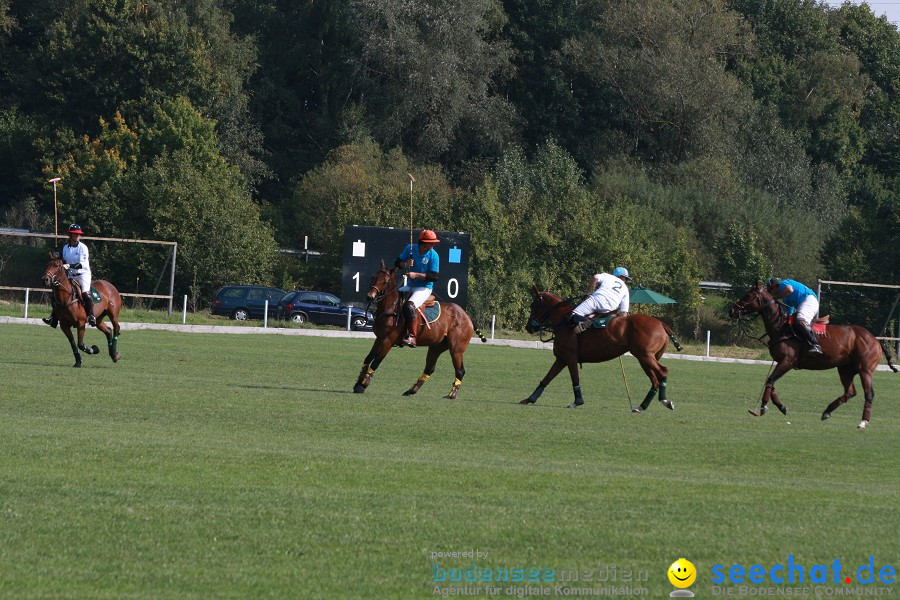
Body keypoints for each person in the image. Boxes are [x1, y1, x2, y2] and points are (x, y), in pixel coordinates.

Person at [43, 224, 96, 328]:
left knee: (85, 293)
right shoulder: (65, 248)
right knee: (56, 293)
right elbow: (62, 261)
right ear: (70, 235)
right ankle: (53, 318)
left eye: (79, 234)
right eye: (75, 234)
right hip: (71, 275)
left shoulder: (83, 248)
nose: (77, 236)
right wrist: (57, 257)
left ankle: (91, 316)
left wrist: (69, 265)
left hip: (83, 274)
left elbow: (82, 263)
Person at [394, 229, 440, 348]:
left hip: (424, 288)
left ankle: (412, 337)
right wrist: (405, 265)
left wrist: (417, 275)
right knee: (393, 299)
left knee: (409, 306)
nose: (433, 245)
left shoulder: (433, 255)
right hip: (410, 285)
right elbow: (397, 263)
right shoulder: (410, 248)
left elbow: (434, 277)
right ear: (423, 243)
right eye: (431, 242)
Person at [767, 277, 822, 355]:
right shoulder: (785, 299)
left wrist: (775, 298)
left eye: (770, 290)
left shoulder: (783, 283)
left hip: (809, 299)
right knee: (792, 324)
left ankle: (815, 344)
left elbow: (789, 290)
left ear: (775, 286)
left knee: (800, 320)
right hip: (803, 303)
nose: (770, 294)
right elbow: (789, 314)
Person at [570, 266, 631, 334]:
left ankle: (586, 322)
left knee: (573, 314)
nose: (625, 280)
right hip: (610, 309)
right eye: (625, 278)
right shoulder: (626, 289)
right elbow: (624, 313)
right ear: (621, 277)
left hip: (596, 300)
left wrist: (587, 293)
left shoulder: (608, 276)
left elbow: (595, 277)